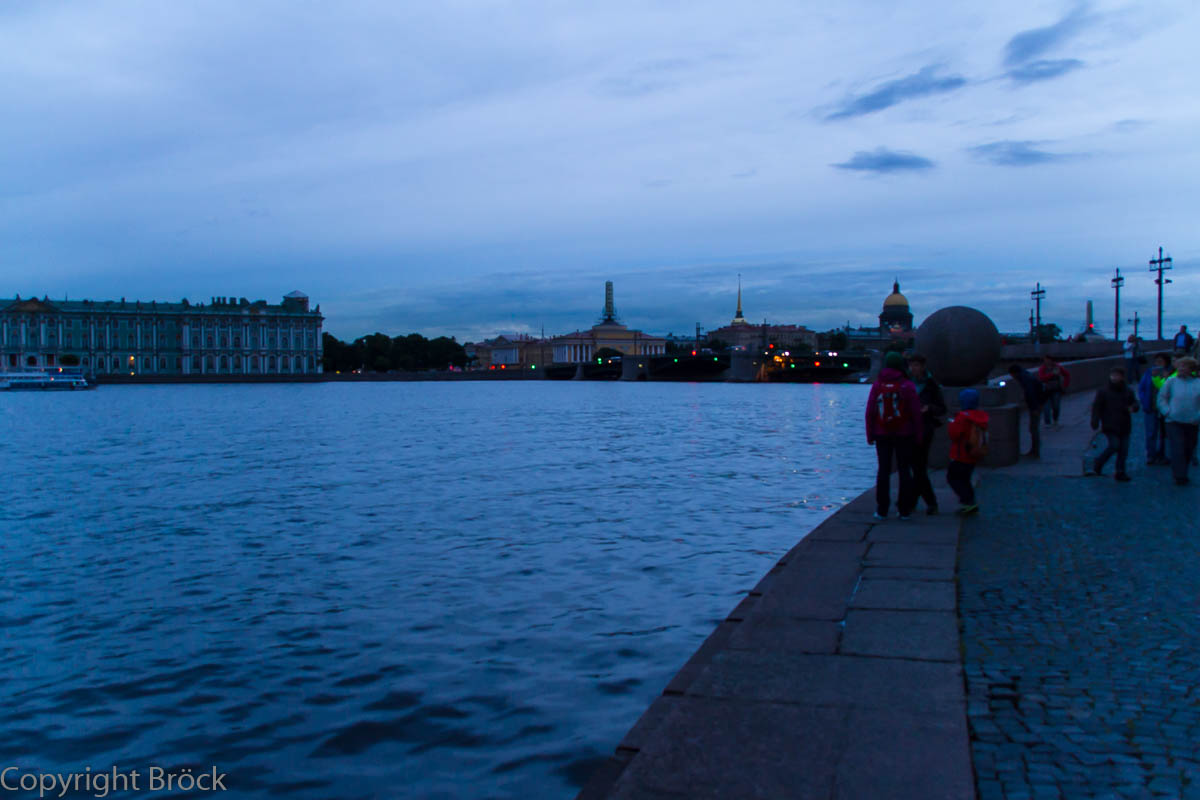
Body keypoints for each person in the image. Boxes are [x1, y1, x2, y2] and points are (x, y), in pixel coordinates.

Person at [865, 351, 923, 520]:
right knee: (904, 470)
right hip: (904, 433)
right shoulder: (907, 385)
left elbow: (870, 412)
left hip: (881, 433)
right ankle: (904, 509)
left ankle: (881, 509)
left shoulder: (877, 385)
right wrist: (918, 435)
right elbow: (916, 414)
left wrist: (870, 434)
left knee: (883, 470)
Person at [907, 353, 947, 515]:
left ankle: (929, 502)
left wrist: (929, 408)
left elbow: (942, 408)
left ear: (923, 367)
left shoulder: (931, 385)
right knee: (917, 467)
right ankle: (916, 501)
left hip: (925, 428)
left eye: (917, 365)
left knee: (919, 467)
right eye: (912, 365)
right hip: (909, 428)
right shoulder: (907, 383)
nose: (914, 368)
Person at [1089, 367, 1139, 481]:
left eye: (1117, 375)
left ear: (1122, 377)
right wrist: (1095, 421)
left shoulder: (1128, 391)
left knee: (1123, 450)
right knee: (1114, 445)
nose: (1114, 377)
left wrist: (1134, 407)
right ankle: (1099, 462)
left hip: (1124, 424)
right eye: (1113, 375)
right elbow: (1097, 407)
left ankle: (1120, 471)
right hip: (1110, 424)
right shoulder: (1103, 391)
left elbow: (1134, 403)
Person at [1156, 356, 1200, 486]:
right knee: (1178, 447)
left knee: (1189, 448)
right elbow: (1161, 398)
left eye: (1184, 366)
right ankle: (1179, 475)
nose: (1181, 369)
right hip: (1173, 421)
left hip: (1192, 421)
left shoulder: (1198, 383)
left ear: (1190, 369)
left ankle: (1183, 470)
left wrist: (1198, 416)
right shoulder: (1171, 381)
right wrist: (1167, 411)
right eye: (1179, 366)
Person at [947, 389, 989, 514]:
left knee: (953, 478)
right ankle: (970, 501)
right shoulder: (980, 417)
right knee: (965, 479)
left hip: (961, 454)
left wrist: (952, 423)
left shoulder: (962, 417)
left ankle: (968, 502)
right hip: (973, 453)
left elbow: (954, 435)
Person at [1137, 353, 1171, 465]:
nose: (1158, 363)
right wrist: (1143, 401)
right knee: (1151, 433)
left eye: (1161, 361)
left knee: (1164, 434)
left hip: (1165, 409)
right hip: (1151, 407)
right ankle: (1151, 455)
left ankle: (1162, 455)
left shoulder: (1171, 374)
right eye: (1157, 361)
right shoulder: (1148, 373)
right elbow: (1141, 388)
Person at [1007, 364, 1045, 457]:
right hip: (1039, 403)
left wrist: (1033, 408)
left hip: (1036, 405)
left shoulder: (1025, 378)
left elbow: (1030, 393)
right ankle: (1035, 450)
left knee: (1033, 428)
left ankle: (1035, 451)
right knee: (1033, 428)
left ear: (1014, 373)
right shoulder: (1026, 375)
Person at [1036, 355, 1071, 426]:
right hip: (1046, 390)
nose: (1046, 361)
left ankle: (1055, 419)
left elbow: (1067, 374)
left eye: (1048, 360)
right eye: (1045, 360)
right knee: (1046, 407)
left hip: (1056, 389)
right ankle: (1047, 422)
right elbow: (1041, 378)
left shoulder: (1057, 367)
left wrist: (1065, 385)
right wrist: (1052, 374)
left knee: (1056, 406)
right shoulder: (1042, 368)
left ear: (1051, 360)